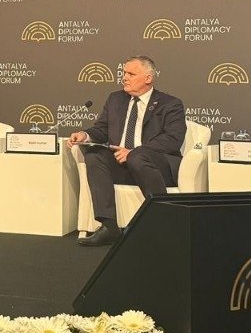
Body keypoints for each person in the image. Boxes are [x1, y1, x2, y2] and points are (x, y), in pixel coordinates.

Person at [68, 55, 186, 246]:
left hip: (156, 166)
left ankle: (161, 222)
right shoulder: (115, 99)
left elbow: (173, 139)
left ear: (148, 78)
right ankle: (109, 227)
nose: (124, 77)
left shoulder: (170, 104)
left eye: (131, 74)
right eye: (124, 73)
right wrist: (85, 135)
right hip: (122, 163)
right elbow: (102, 129)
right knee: (94, 155)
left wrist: (134, 151)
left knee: (138, 156)